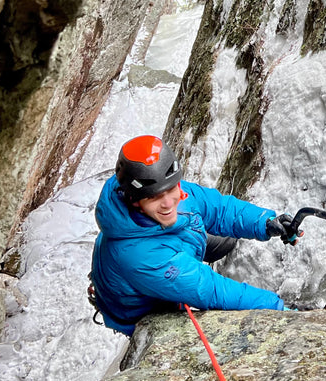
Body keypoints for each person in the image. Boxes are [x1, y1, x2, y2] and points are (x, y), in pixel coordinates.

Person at [89, 134, 298, 335]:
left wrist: (265, 222)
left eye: (171, 190)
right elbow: (211, 290)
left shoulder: (165, 186)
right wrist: (277, 309)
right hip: (148, 302)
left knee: (226, 240)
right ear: (135, 201)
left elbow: (220, 209)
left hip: (169, 246)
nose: (169, 203)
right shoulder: (137, 257)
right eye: (155, 198)